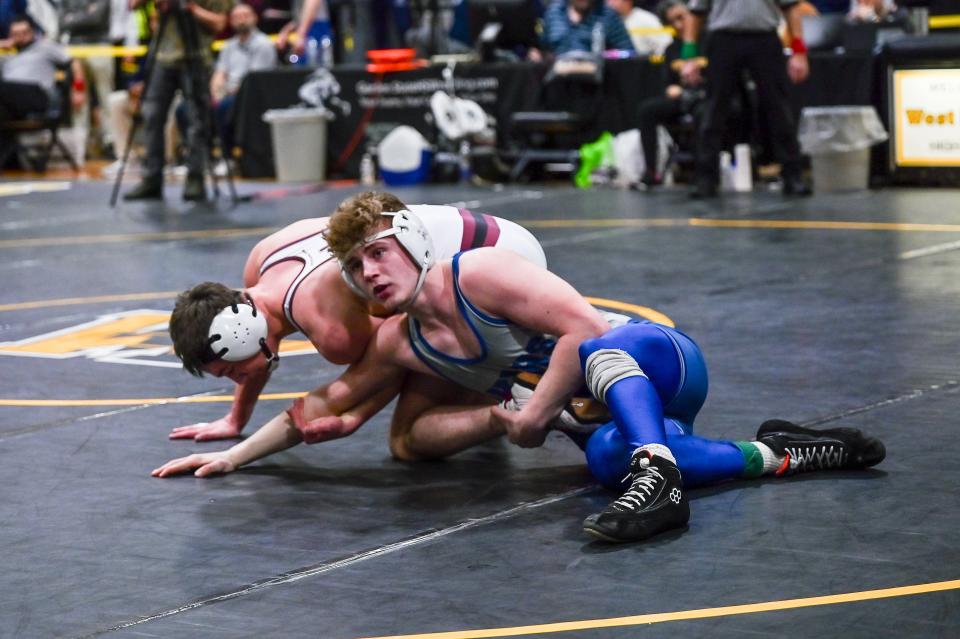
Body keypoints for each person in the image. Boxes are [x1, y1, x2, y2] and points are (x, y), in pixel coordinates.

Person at [154, 194, 886, 545]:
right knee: (604, 457)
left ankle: (657, 473)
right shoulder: (399, 343)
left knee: (599, 351)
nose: (370, 273)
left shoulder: (478, 273)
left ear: (410, 238)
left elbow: (590, 328)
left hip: (659, 358)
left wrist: (536, 414)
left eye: (379, 252)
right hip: (606, 413)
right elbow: (324, 407)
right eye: (356, 265)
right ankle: (789, 450)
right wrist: (235, 453)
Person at [166, 193, 547, 445]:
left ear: (242, 335)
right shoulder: (263, 262)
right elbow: (261, 350)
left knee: (409, 438)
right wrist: (236, 419)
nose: (238, 380)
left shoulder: (334, 332)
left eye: (231, 372)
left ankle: (525, 400)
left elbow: (394, 356)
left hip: (497, 266)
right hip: (484, 233)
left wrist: (355, 419)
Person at [681, 0, 813, 199]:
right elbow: (695, 13)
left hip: (764, 38)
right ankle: (706, 179)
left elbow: (791, 9)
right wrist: (689, 56)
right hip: (723, 40)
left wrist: (799, 51)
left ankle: (793, 176)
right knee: (713, 109)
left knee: (779, 108)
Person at [123, 0, 232, 203]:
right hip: (163, 56)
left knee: (196, 120)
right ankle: (151, 178)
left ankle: (195, 177)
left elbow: (219, 24)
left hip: (196, 54)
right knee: (151, 115)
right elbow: (133, 5)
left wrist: (192, 8)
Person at [634, 0, 703, 187]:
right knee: (646, 110)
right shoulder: (672, 50)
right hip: (681, 99)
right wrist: (672, 89)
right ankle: (651, 171)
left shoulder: (709, 42)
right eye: (673, 21)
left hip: (705, 97)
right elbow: (666, 84)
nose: (679, 25)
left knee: (703, 112)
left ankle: (703, 172)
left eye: (681, 17)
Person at [207, 3, 275, 165]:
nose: (241, 20)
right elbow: (219, 73)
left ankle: (228, 157)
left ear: (254, 18)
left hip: (250, 96)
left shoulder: (263, 44)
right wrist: (216, 91)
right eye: (237, 17)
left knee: (224, 107)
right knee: (188, 109)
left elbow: (254, 80)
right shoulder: (228, 46)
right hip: (227, 93)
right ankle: (205, 159)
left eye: (245, 16)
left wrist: (226, 94)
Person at [0, 15, 72, 122]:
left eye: (24, 32)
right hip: (10, 98)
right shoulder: (6, 54)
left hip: (38, 94)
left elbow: (74, 62)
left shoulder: (44, 46)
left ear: (32, 32)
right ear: (10, 35)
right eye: (16, 34)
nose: (21, 37)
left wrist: (78, 88)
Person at [542, 0, 636, 55]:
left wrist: (609, 56)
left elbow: (628, 53)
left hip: (598, 83)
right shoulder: (554, 12)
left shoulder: (607, 15)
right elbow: (543, 50)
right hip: (558, 82)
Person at [605, 0, 671, 56]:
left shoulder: (645, 19)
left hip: (642, 66)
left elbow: (665, 46)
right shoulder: (608, 21)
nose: (608, 2)